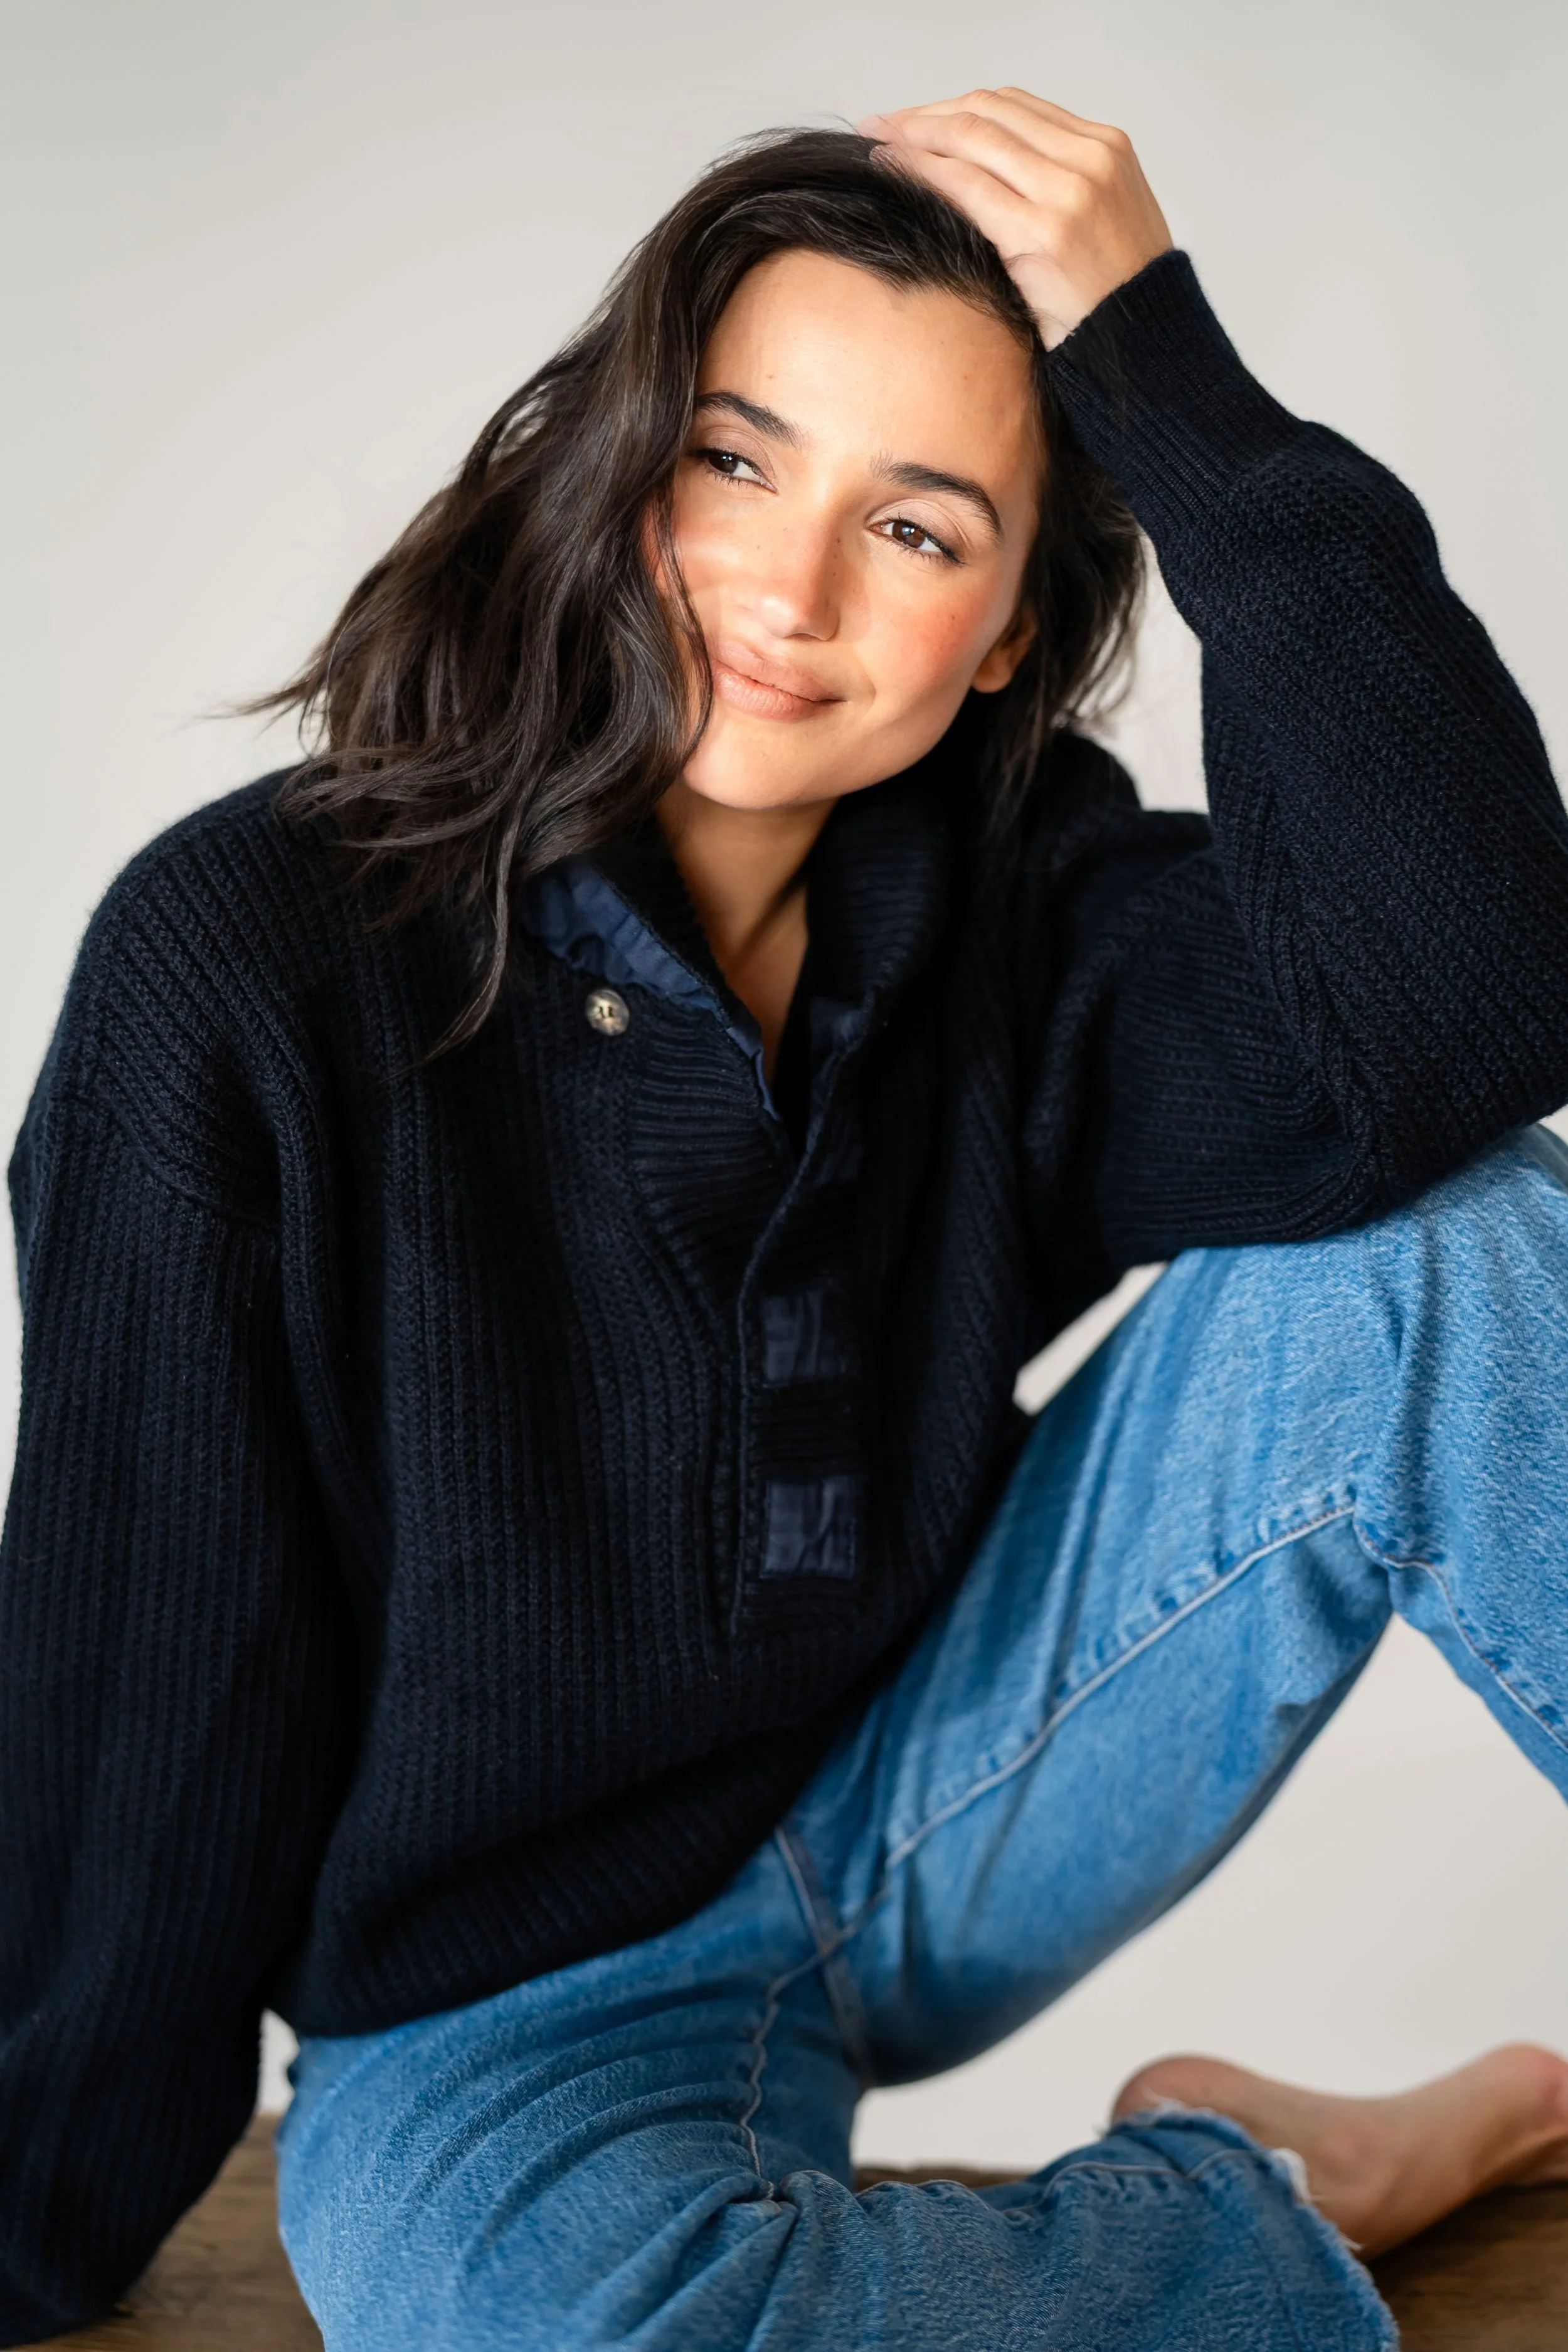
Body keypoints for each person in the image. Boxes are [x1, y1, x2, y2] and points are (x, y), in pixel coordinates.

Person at [3, 86, 1568, 2352]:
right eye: (735, 461)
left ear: (1013, 626)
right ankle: (1266, 2200)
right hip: (505, 1999)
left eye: (920, 528)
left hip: (930, 1805)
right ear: (623, 450)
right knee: (543, 2324)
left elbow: (1471, 1006)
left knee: (1453, 1249)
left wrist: (1179, 392)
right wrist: (36, 2217)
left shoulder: (1019, 918)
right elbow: (147, 1661)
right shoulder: (238, 969)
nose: (789, 589)